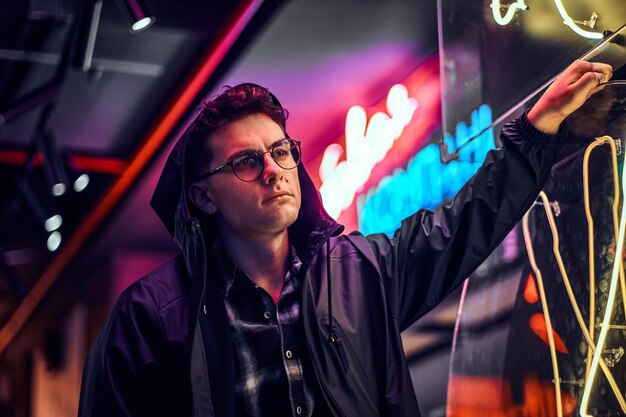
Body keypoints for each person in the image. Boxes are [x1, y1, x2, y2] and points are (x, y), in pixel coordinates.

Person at [77, 60, 612, 417]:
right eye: (246, 161)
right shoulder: (150, 317)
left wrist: (538, 127)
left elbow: (466, 221)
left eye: (281, 151)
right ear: (202, 197)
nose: (273, 170)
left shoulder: (359, 271)